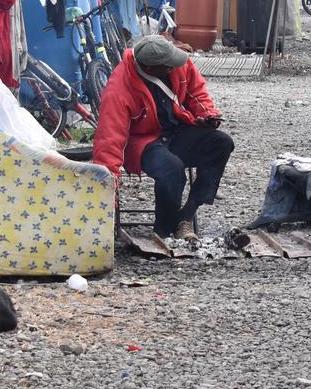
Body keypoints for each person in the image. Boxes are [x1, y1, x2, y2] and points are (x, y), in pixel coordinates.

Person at [93, 35, 234, 240]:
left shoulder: (174, 61)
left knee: (221, 143)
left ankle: (186, 216)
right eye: (169, 67)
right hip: (143, 142)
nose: (175, 67)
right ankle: (164, 230)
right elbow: (109, 139)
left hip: (177, 130)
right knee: (172, 168)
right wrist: (107, 192)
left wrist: (207, 115)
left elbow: (197, 93)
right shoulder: (118, 90)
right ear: (151, 68)